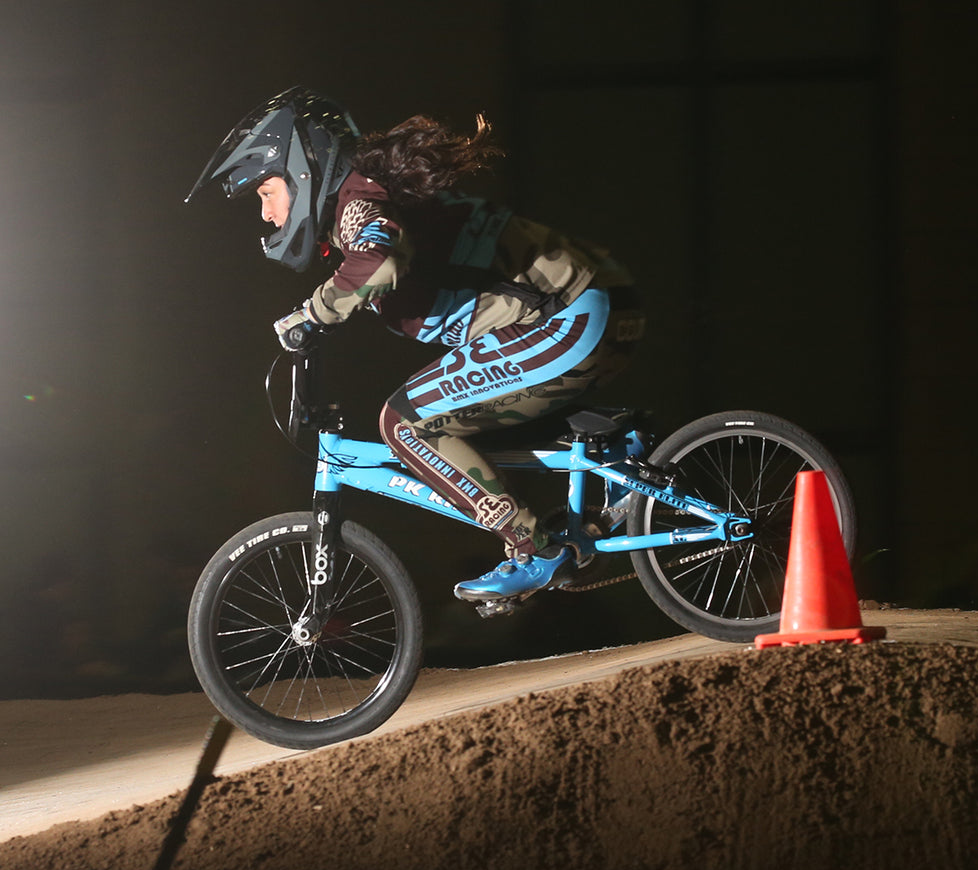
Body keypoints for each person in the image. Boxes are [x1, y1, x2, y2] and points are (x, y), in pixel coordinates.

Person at [187, 86, 644, 603]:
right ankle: (620, 453)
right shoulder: (367, 195)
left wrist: (311, 315)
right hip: (595, 303)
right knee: (459, 418)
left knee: (405, 423)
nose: (267, 214)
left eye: (266, 192)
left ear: (302, 171)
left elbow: (379, 261)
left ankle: (533, 549)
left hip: (568, 316)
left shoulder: (359, 206)